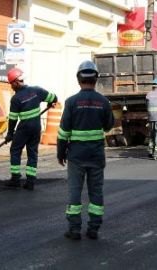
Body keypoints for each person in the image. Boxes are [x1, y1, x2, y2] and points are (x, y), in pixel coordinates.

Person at [57, 60, 114, 240]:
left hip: (76, 157)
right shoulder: (104, 102)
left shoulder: (71, 102)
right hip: (96, 156)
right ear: (96, 79)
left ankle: (74, 229)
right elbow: (108, 126)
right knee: (96, 192)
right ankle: (94, 229)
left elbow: (63, 131)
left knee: (74, 192)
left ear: (78, 79)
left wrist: (60, 153)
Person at [4, 68, 57, 190]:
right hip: (36, 128)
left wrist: (10, 134)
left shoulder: (16, 99)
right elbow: (54, 97)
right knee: (32, 153)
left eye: (11, 84)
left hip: (24, 128)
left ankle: (15, 178)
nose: (11, 87)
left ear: (16, 82)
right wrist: (51, 102)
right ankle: (30, 181)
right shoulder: (37, 90)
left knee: (15, 150)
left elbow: (13, 119)